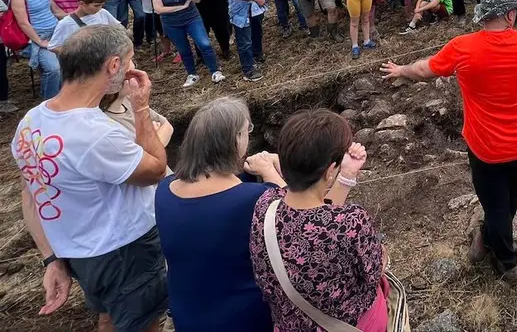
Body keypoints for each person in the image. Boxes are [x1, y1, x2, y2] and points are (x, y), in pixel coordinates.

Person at [381, 0, 517, 284]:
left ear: (484, 15)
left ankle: (507, 262)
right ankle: (489, 238)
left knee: (498, 205)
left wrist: (401, 70)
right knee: (508, 200)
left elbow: (424, 70)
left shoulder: (462, 47)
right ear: (511, 15)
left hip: (485, 150)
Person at [11, 25, 168, 332]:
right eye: (131, 60)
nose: (133, 68)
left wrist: (52, 259)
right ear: (113, 65)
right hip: (124, 251)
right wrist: (141, 108)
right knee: (143, 324)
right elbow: (156, 170)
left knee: (109, 315)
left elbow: (31, 196)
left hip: (81, 253)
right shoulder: (96, 134)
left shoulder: (30, 122)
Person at [249, 110, 385, 330]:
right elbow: (373, 272)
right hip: (349, 324)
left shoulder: (265, 204)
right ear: (330, 169)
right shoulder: (351, 221)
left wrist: (346, 175)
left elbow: (316, 214)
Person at [155, 97, 283, 332]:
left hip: (190, 314)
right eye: (247, 130)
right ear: (234, 140)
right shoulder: (253, 199)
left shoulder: (165, 190)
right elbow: (290, 209)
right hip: (244, 318)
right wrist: (267, 168)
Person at [150, 0, 225, 88]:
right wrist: (182, 7)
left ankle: (215, 71)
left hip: (191, 18)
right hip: (171, 22)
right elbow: (158, 9)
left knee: (204, 43)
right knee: (183, 49)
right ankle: (192, 74)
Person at [10, 0, 64, 99]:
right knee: (53, 69)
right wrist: (40, 42)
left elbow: (56, 11)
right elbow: (23, 23)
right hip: (37, 37)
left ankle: (63, 96)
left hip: (56, 32)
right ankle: (49, 102)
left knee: (67, 66)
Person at [47, 0, 121, 51]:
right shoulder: (66, 23)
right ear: (82, 4)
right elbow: (53, 46)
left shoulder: (103, 12)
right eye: (96, 6)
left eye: (102, 5)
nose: (99, 8)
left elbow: (118, 27)